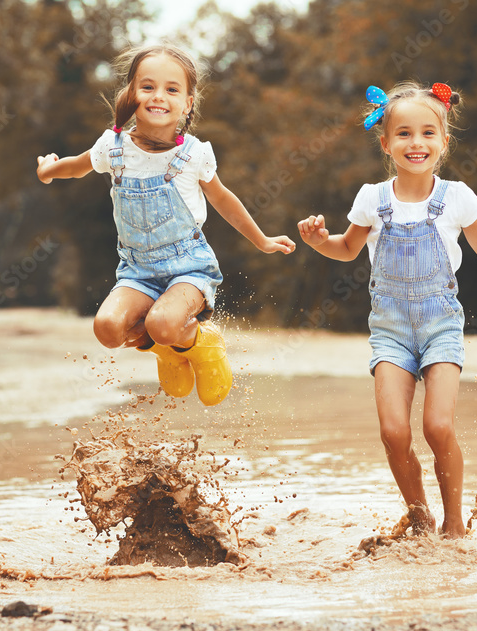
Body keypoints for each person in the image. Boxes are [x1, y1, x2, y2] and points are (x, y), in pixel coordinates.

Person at [297, 81, 477, 538]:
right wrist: (319, 242)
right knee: (394, 432)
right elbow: (347, 249)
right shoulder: (372, 198)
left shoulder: (456, 197)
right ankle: (419, 514)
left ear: (444, 141)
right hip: (389, 330)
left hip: (440, 328)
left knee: (436, 426)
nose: (417, 143)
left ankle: (454, 522)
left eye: (428, 133)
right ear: (385, 142)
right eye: (405, 134)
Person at [37, 44, 295, 406]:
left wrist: (262, 240)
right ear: (130, 94)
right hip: (137, 271)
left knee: (162, 323)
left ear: (188, 103)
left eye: (172, 89)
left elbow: (223, 199)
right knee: (108, 329)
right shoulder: (112, 148)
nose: (159, 97)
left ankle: (201, 343)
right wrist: (48, 170)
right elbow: (76, 166)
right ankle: (165, 349)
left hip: (188, 267)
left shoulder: (194, 154)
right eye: (147, 87)